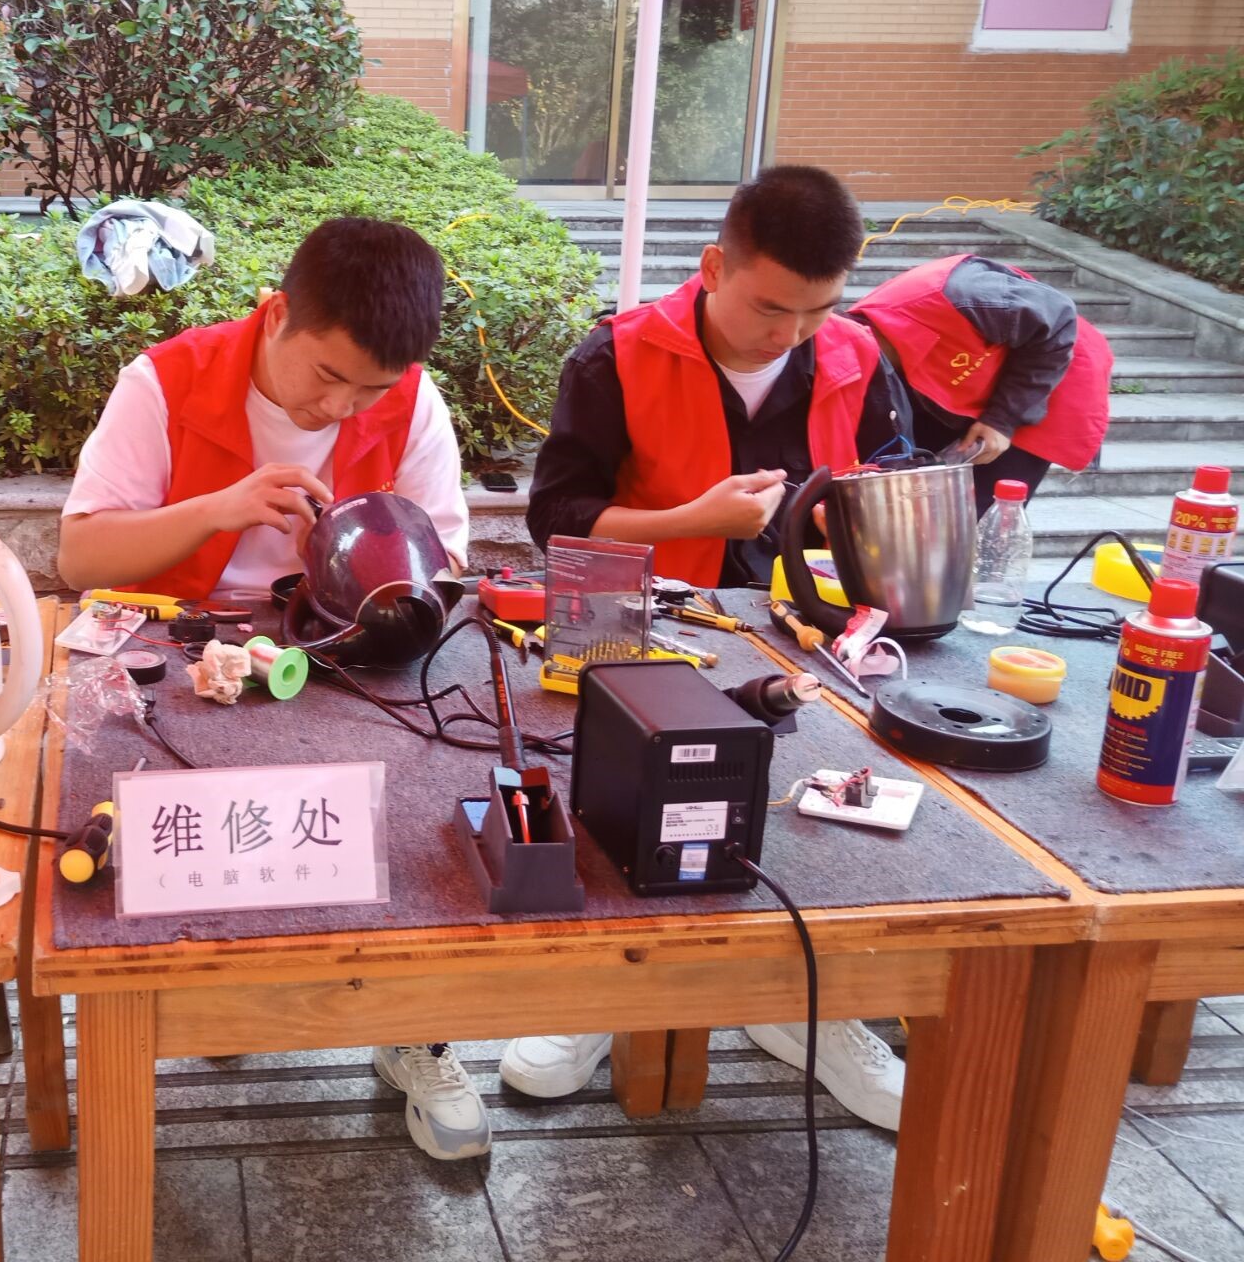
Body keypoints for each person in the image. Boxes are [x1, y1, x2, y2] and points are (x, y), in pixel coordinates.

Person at [59, 216, 487, 1160]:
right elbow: (80, 554)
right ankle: (216, 992)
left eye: (369, 390)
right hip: (189, 649)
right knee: (183, 811)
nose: (341, 407)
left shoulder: (412, 400)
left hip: (348, 649)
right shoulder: (165, 382)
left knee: (426, 812)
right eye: (327, 375)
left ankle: (417, 1029)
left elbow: (446, 561)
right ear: (278, 312)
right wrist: (217, 509)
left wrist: (363, 571)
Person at [517, 166, 913, 1131]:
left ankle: (804, 1003)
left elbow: (892, 486)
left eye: (817, 310)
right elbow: (555, 518)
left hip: (803, 638)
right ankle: (604, 1000)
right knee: (631, 812)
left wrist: (868, 533)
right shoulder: (616, 357)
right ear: (712, 266)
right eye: (771, 307)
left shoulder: (858, 358)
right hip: (641, 635)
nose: (791, 334)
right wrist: (688, 519)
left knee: (815, 820)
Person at [848, 254, 1113, 508]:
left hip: (1045, 371)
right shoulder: (871, 353)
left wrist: (1002, 420)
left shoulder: (963, 296)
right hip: (963, 383)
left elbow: (1058, 316)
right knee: (921, 500)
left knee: (982, 511)